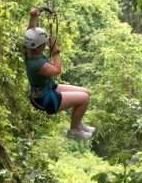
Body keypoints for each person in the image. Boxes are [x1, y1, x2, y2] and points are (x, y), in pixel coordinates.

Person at [23, 7, 95, 140]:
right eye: (44, 43)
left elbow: (30, 34)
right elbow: (57, 70)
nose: (46, 44)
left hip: (47, 88)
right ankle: (74, 130)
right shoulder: (37, 64)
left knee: (86, 92)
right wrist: (55, 52)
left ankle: (78, 124)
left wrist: (33, 17)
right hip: (44, 99)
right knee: (84, 99)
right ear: (40, 46)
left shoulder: (28, 51)